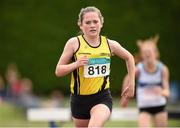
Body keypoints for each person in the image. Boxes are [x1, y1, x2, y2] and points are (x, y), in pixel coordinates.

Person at [55, 6, 135, 127]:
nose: (92, 25)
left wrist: (131, 84)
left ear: (101, 23)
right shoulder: (74, 43)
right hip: (79, 100)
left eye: (95, 21)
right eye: (88, 22)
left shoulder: (109, 44)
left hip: (101, 97)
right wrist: (76, 64)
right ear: (80, 25)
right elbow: (58, 71)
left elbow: (129, 57)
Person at [122, 35, 170, 127]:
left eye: (149, 52)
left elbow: (167, 90)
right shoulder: (139, 69)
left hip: (159, 106)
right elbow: (128, 78)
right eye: (144, 52)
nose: (147, 54)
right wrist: (125, 97)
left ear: (155, 53)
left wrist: (163, 92)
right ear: (142, 55)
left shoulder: (163, 69)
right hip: (144, 107)